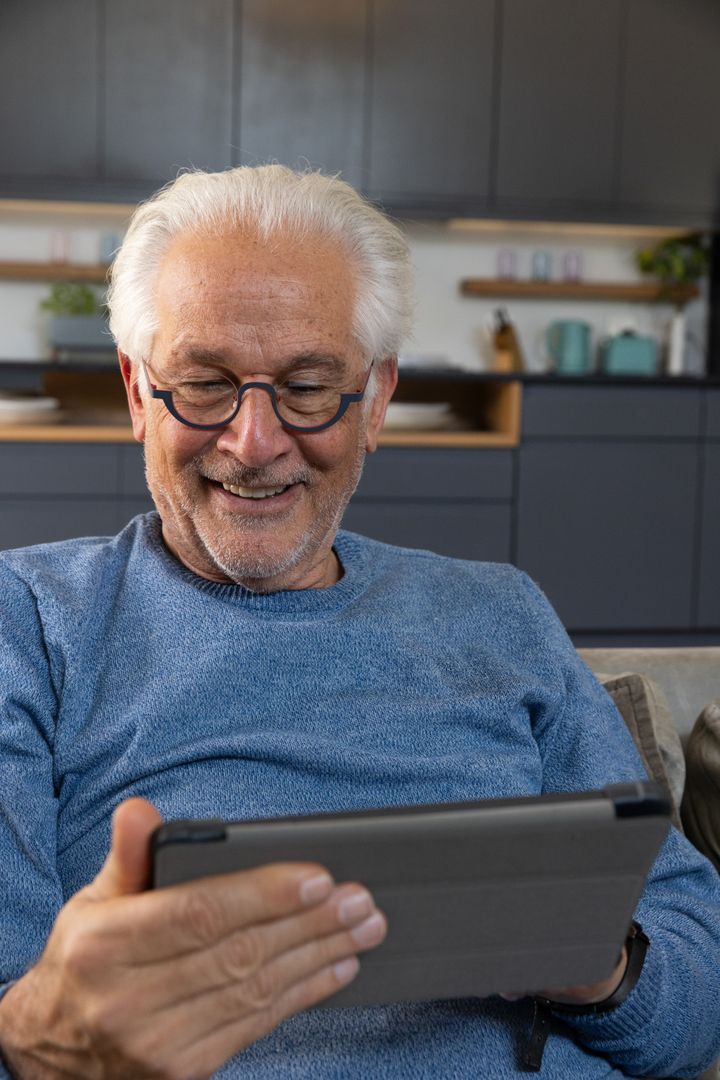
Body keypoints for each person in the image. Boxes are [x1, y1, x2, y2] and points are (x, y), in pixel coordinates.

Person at [0, 165, 718, 1080]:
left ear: (376, 401)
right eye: (204, 383)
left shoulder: (500, 613)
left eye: (307, 387)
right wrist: (37, 1040)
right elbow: (19, 1021)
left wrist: (606, 971)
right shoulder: (26, 621)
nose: (253, 444)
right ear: (139, 392)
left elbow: (695, 989)